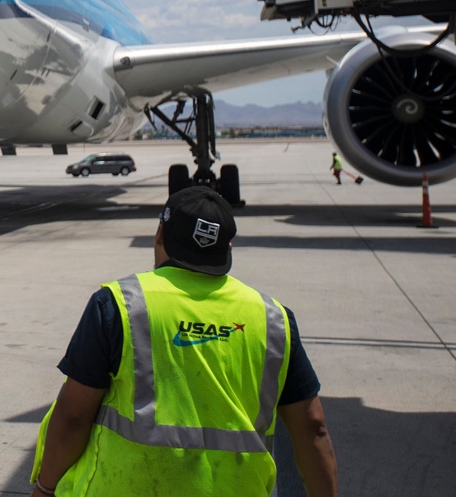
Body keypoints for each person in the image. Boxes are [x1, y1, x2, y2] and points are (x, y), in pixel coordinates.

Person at [29, 186, 338, 497]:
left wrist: (45, 487)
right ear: (227, 248)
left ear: (159, 234)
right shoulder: (274, 319)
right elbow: (313, 428)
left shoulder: (119, 305)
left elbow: (72, 417)